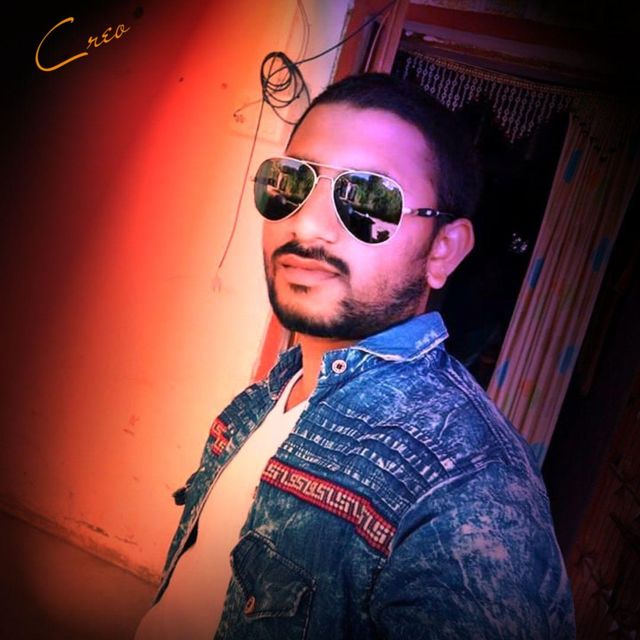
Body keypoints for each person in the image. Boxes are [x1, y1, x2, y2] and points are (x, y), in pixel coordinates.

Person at [135, 72, 575, 639]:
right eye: (292, 182)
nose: (306, 224)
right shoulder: (271, 394)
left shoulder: (468, 492)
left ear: (442, 250)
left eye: (370, 199)